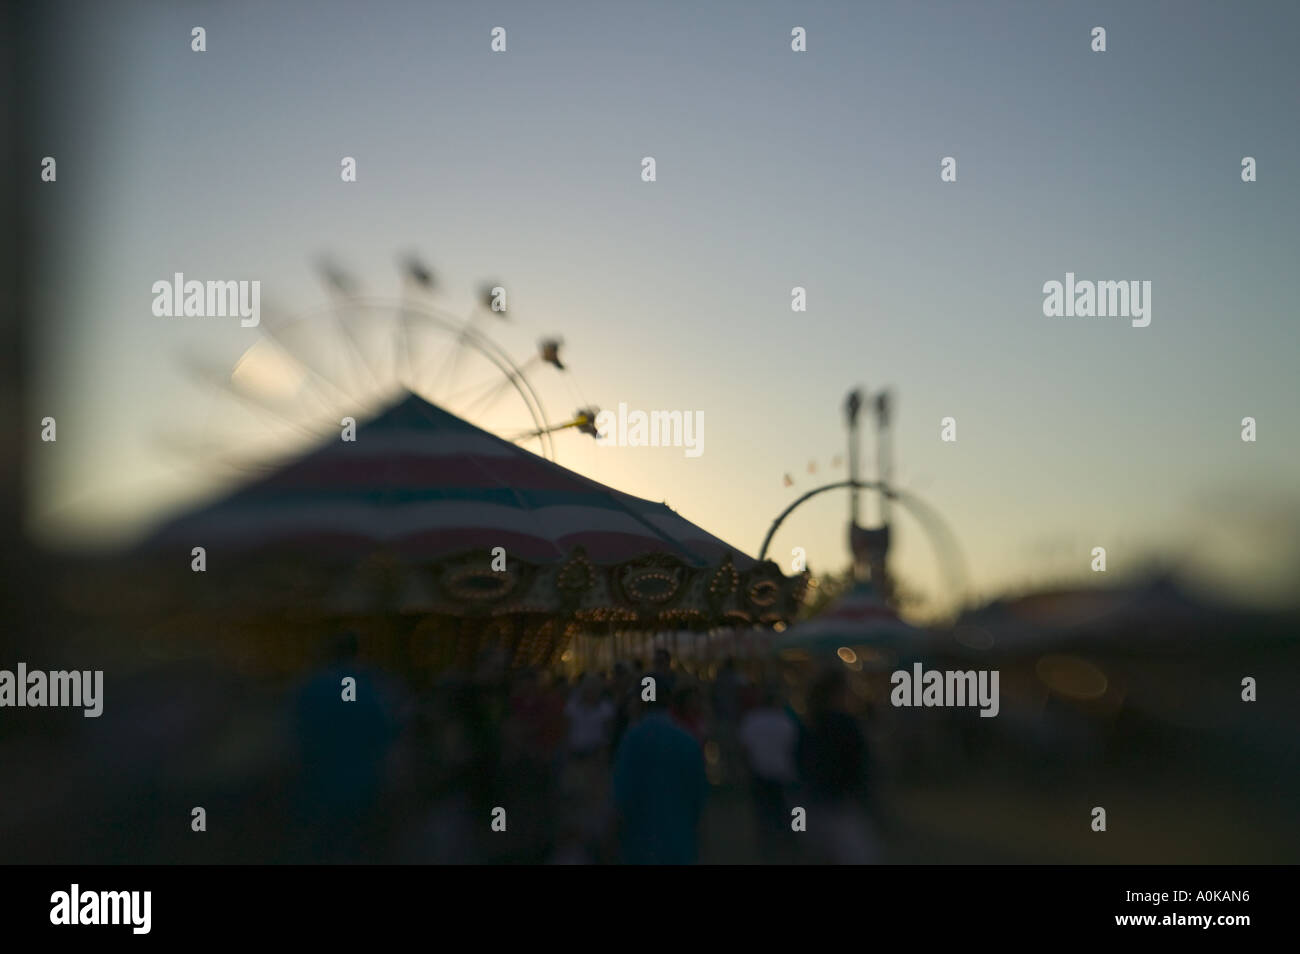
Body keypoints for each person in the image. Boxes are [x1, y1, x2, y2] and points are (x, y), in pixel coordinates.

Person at [612, 685, 708, 864]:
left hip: (639, 842)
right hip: (680, 842)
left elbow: (621, 796)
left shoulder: (632, 740)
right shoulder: (688, 741)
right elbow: (699, 797)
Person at [796, 665, 878, 864]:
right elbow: (860, 765)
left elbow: (799, 762)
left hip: (814, 803)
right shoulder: (846, 725)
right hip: (842, 803)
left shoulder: (810, 725)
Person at [738, 684, 800, 860]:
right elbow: (795, 748)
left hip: (759, 773)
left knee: (763, 812)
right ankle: (789, 843)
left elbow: (744, 748)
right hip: (783, 773)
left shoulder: (751, 720)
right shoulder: (787, 721)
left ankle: (766, 846)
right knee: (786, 811)